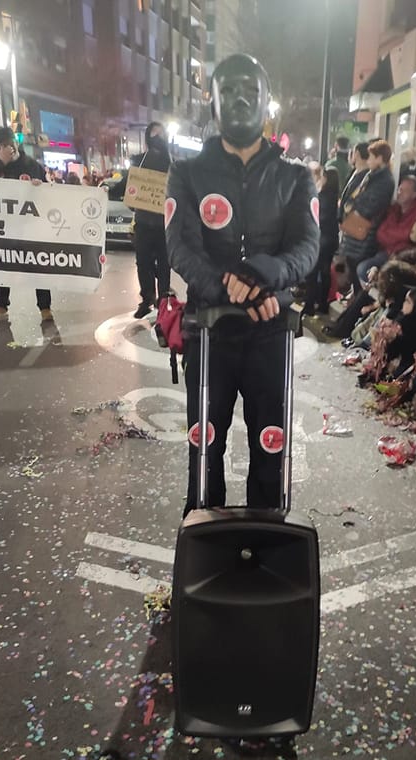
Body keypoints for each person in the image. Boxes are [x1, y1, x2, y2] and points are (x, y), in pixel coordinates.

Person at [165, 53, 319, 514]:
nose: (239, 100)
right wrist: (228, 287)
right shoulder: (186, 173)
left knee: (270, 445)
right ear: (212, 101)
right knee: (205, 446)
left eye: (250, 91)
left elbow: (306, 247)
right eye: (228, 90)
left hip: (271, 333)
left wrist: (262, 277)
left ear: (266, 101)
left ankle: (267, 535)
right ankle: (203, 532)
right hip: (209, 331)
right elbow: (181, 248)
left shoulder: (295, 177)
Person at [0, 127, 52, 323]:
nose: (7, 148)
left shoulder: (31, 165)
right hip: (3, 226)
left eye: (10, 144)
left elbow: (48, 192)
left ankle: (45, 307)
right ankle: (1, 305)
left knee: (37, 266)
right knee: (2, 265)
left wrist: (40, 186)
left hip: (28, 226)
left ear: (16, 144)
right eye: (3, 145)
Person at [338, 139, 395, 295]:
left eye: (371, 157)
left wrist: (352, 207)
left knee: (358, 268)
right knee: (350, 265)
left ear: (379, 158)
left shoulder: (384, 181)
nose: (368, 160)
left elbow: (368, 204)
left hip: (364, 230)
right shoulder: (371, 176)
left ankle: (358, 300)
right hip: (355, 227)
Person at [130, 121, 172, 319]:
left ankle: (163, 300)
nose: (157, 138)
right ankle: (147, 299)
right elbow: (130, 188)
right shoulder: (138, 161)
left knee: (164, 264)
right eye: (154, 134)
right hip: (144, 222)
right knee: (143, 263)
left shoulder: (171, 164)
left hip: (164, 224)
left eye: (160, 134)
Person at [356, 175, 416, 285]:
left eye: (405, 190)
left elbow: (411, 237)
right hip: (387, 252)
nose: (399, 193)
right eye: (399, 189)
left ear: (414, 194)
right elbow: (380, 234)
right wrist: (400, 235)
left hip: (404, 258)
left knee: (372, 272)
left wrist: (393, 235)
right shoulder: (394, 208)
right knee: (362, 268)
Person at [302, 167, 340, 319]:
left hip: (320, 239)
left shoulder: (321, 197)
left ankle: (309, 305)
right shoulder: (335, 197)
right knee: (325, 272)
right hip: (331, 239)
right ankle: (323, 303)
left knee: (312, 273)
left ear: (326, 179)